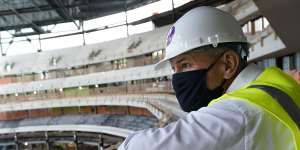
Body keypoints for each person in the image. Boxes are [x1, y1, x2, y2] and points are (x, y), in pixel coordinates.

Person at [118, 6, 300, 150]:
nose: (177, 78)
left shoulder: (238, 112)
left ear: (228, 64)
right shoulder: (275, 83)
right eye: (174, 68)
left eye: (186, 65)